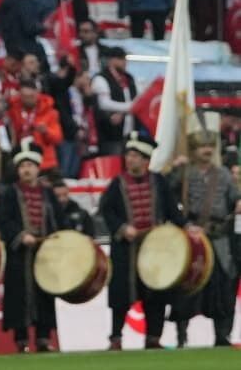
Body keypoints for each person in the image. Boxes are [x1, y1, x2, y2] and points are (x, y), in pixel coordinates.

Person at [98, 134, 179, 350]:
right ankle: (116, 337)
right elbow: (106, 210)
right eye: (128, 155)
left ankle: (154, 337)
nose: (130, 159)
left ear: (146, 160)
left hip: (155, 248)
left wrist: (185, 226)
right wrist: (122, 228)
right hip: (126, 248)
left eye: (135, 156)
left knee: (156, 292)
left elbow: (172, 211)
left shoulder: (159, 182)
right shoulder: (117, 184)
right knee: (121, 295)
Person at [170, 132, 239, 348]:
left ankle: (222, 335)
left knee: (223, 288)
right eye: (202, 146)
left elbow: (234, 198)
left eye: (210, 146)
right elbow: (166, 196)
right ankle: (181, 336)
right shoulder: (184, 174)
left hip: (219, 237)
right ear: (193, 150)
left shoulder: (223, 175)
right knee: (186, 287)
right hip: (192, 238)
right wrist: (174, 169)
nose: (207, 150)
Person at [0, 141, 60, 354]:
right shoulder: (9, 193)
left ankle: (43, 338)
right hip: (19, 254)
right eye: (23, 166)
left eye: (30, 165)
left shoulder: (48, 193)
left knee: (44, 295)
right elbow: (4, 220)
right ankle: (21, 340)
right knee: (19, 296)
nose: (26, 169)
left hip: (44, 253)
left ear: (37, 168)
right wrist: (21, 235)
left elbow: (59, 220)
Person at [90, 45, 137, 158]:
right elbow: (104, 103)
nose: (124, 62)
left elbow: (136, 98)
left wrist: (126, 110)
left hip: (129, 132)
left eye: (125, 58)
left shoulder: (129, 78)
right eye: (121, 58)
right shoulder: (101, 78)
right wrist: (130, 107)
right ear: (111, 60)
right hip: (110, 134)